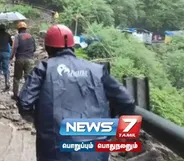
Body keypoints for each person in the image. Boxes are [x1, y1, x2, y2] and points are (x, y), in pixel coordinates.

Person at [17, 24, 136, 161]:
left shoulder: (44, 69)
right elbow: (127, 101)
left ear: (47, 48)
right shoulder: (97, 70)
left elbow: (24, 103)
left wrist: (42, 122)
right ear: (73, 46)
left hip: (54, 149)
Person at [10, 21, 36, 99]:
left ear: (19, 29)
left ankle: (15, 95)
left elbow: (14, 47)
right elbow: (34, 49)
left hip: (20, 59)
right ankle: (28, 95)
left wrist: (11, 57)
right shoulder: (31, 37)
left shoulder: (18, 36)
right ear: (25, 29)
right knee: (28, 78)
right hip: (30, 60)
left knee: (17, 78)